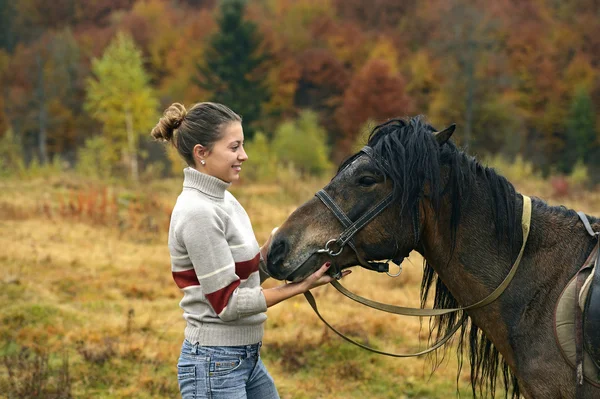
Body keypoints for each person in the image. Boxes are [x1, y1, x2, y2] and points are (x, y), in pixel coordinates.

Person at [150, 102, 350, 399]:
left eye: (242, 145)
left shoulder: (225, 201)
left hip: (245, 357)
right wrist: (299, 287)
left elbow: (242, 277)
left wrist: (279, 253)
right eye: (234, 147)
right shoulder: (198, 212)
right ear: (201, 153)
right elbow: (227, 304)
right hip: (214, 363)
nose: (244, 155)